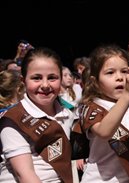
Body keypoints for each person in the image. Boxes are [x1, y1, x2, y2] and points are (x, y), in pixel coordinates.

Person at [79, 44, 129, 183]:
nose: (119, 78)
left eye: (124, 71)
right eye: (110, 72)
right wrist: (128, 94)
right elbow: (105, 132)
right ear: (95, 82)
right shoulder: (91, 106)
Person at [0, 47, 76, 182]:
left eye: (52, 78)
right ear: (23, 81)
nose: (45, 85)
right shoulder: (12, 120)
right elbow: (24, 175)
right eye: (37, 78)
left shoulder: (68, 115)